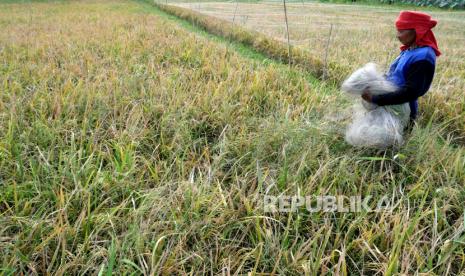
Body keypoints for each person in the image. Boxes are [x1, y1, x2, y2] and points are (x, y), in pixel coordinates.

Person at [361, 11, 441, 125]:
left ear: (417, 31)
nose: (397, 35)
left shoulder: (423, 57)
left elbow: (410, 92)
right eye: (397, 30)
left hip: (402, 110)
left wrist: (375, 99)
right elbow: (396, 76)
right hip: (391, 103)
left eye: (401, 31)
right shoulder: (410, 49)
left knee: (393, 140)